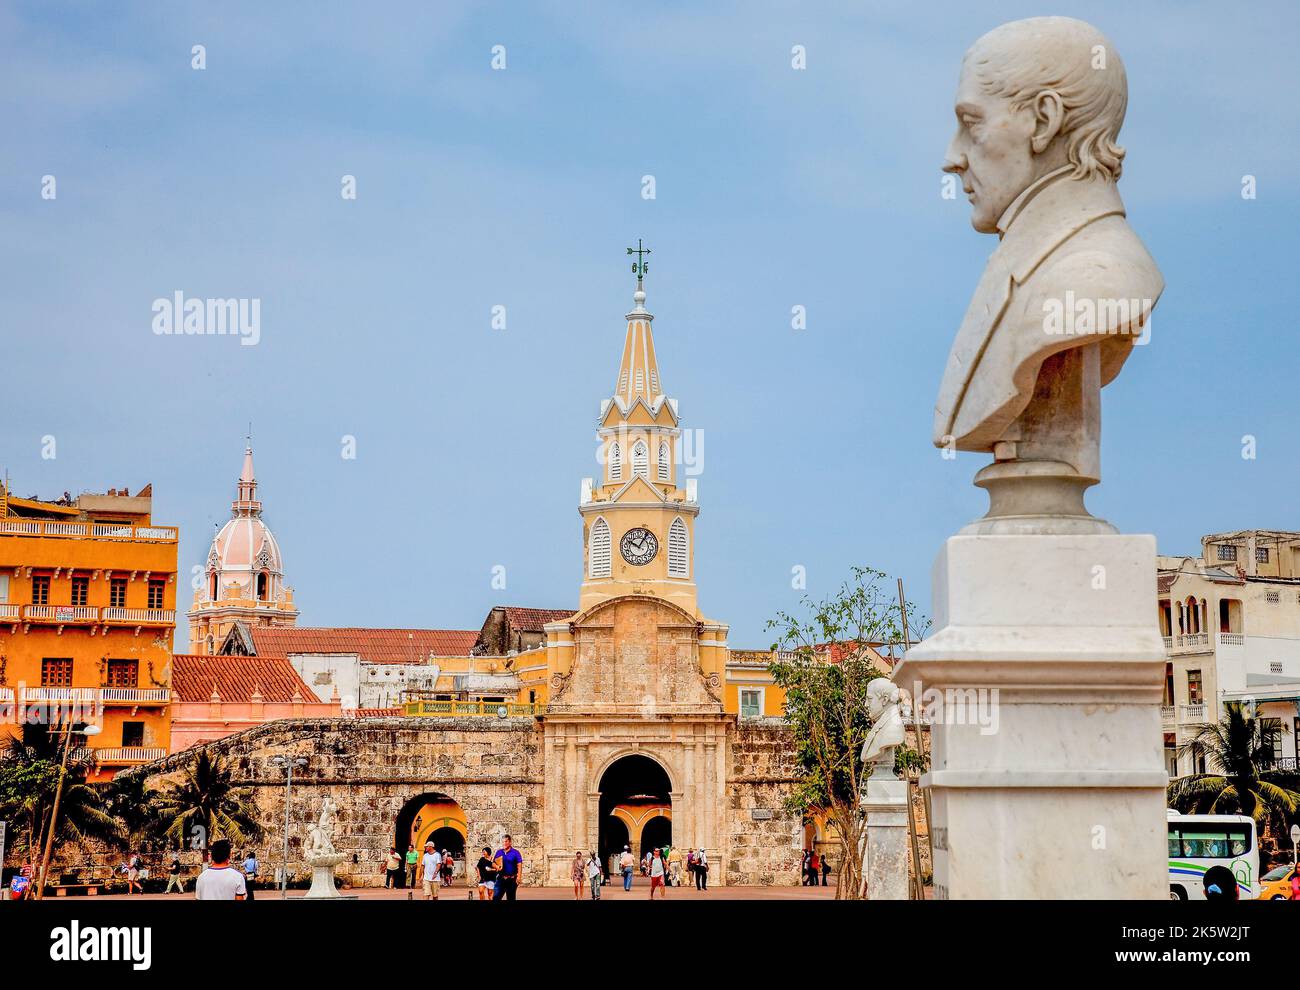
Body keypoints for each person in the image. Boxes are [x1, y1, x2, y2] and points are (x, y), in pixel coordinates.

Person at [492, 835, 523, 900]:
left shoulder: (516, 852)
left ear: (510, 842)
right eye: (503, 842)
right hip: (501, 879)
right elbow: (493, 863)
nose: (504, 843)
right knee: (496, 897)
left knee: (510, 897)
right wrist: (496, 866)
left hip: (512, 880)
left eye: (506, 841)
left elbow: (519, 865)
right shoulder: (499, 852)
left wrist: (519, 877)